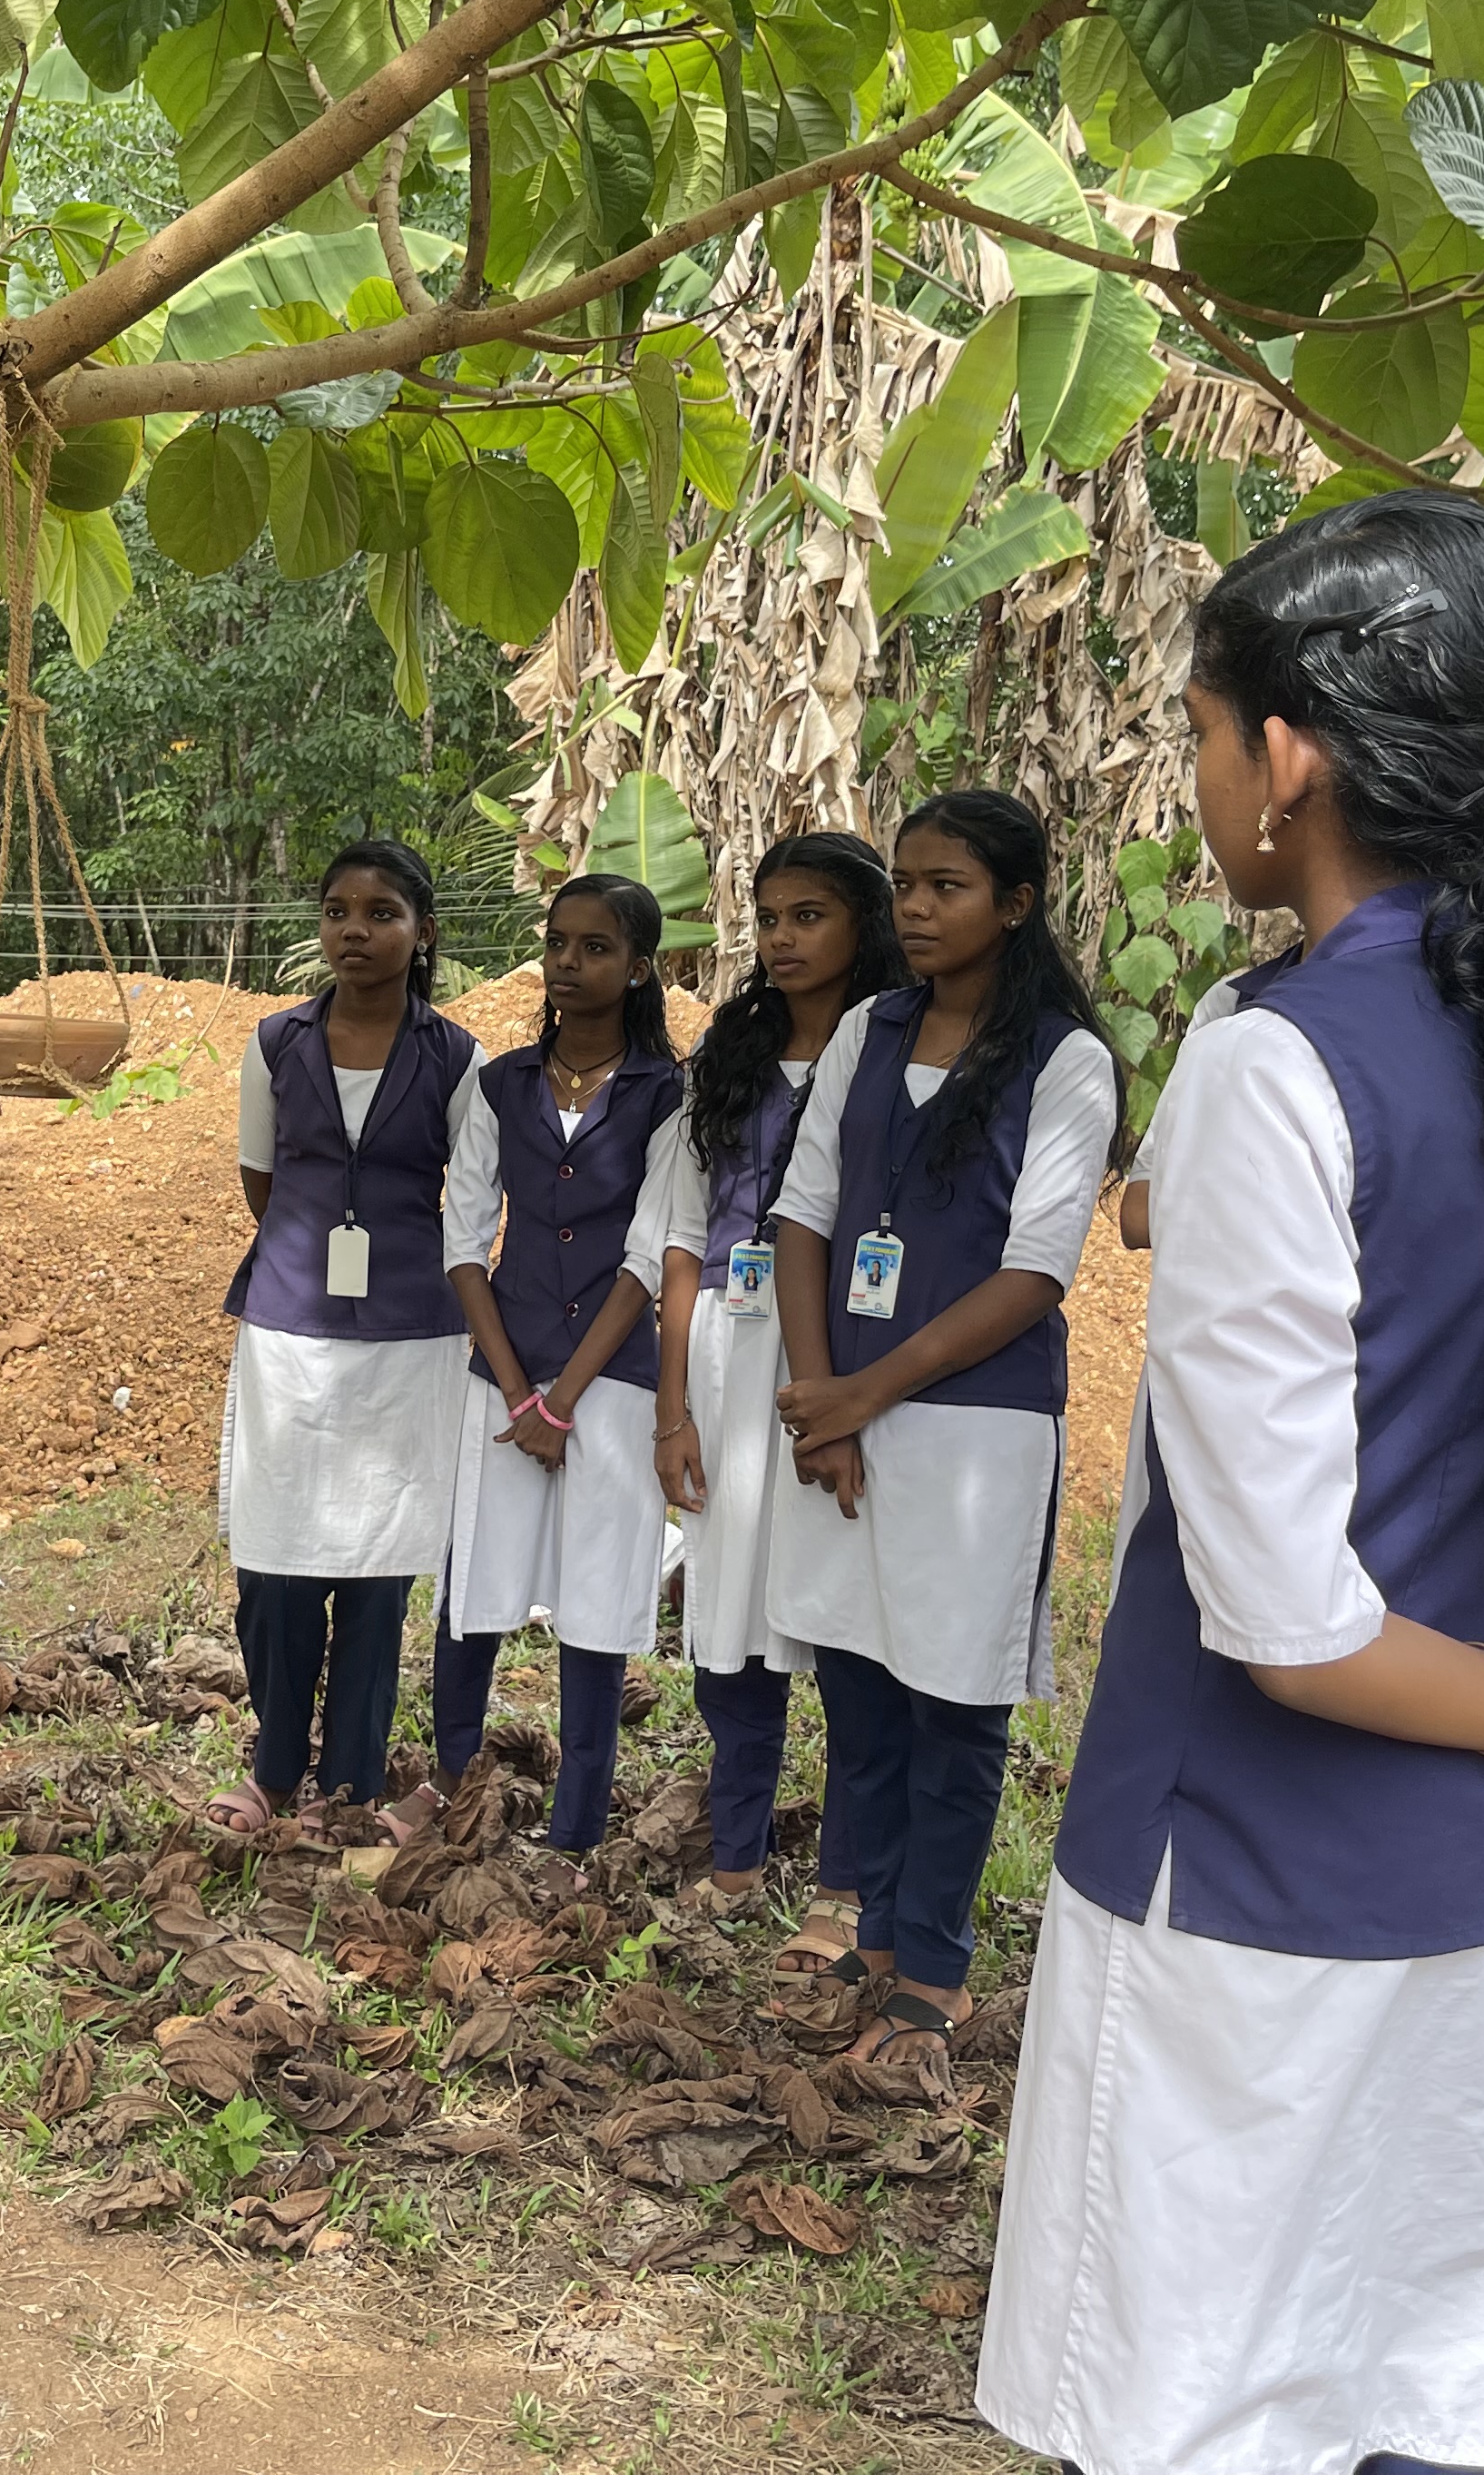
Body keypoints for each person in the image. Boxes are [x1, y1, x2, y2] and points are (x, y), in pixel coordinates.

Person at [980, 489, 1484, 2475]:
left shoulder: (1274, 1059)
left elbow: (1290, 1625)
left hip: (1253, 1901)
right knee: (1437, 2405)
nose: (1201, 781)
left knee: (1205, 2411)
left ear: (1289, 759)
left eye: (1203, 734)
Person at [763, 792, 1120, 2086]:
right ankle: (869, 1931)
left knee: (953, 1705)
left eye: (946, 887)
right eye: (905, 885)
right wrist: (819, 1393)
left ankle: (933, 1973)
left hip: (974, 1431)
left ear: (1015, 904)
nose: (914, 909)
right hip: (844, 1410)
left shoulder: (1066, 1062)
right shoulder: (868, 1030)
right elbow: (804, 1215)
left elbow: (1035, 1273)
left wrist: (866, 1393)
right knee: (859, 1689)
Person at [637, 833, 908, 1955]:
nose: (783, 938)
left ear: (864, 926)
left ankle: (845, 1883)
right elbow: (681, 1233)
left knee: (837, 1623)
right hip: (725, 1354)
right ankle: (738, 1855)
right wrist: (672, 1409)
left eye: (811, 916)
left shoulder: (896, 1050)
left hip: (836, 1361)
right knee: (728, 1618)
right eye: (769, 917)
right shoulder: (729, 1054)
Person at [212, 840, 489, 1836]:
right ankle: (275, 1767)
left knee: (379, 1564)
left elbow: (472, 1197)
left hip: (411, 1339)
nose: (355, 932)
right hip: (289, 1329)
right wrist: (311, 1246)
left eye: (381, 914)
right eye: (337, 912)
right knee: (274, 1560)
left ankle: (351, 1781)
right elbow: (262, 1178)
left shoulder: (459, 1059)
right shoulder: (274, 1043)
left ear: (422, 933)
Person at [438, 873, 683, 1887]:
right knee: (474, 1580)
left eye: (596, 948)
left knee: (597, 1593)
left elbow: (651, 1255)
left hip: (612, 1381)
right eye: (558, 944)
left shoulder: (668, 1095)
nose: (569, 964)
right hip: (502, 1369)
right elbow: (464, 1243)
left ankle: (576, 1832)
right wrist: (516, 1392)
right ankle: (455, 1787)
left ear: (640, 968)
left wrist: (565, 1399)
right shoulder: (500, 1085)